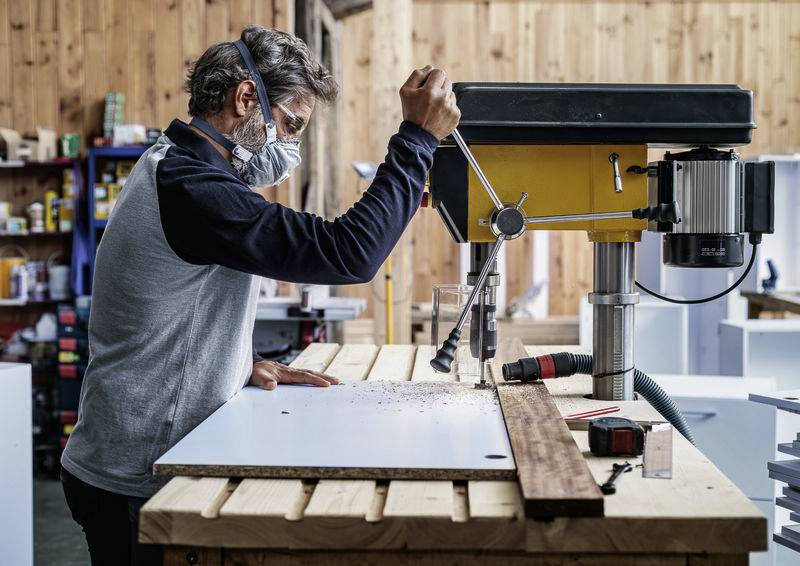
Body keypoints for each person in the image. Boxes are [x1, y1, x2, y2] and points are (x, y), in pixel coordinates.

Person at [60, 25, 460, 566]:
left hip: (128, 459)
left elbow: (162, 309)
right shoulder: (192, 187)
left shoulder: (176, 166)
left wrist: (232, 363)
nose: (289, 146)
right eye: (290, 124)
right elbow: (348, 253)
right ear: (246, 98)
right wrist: (416, 140)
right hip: (136, 477)